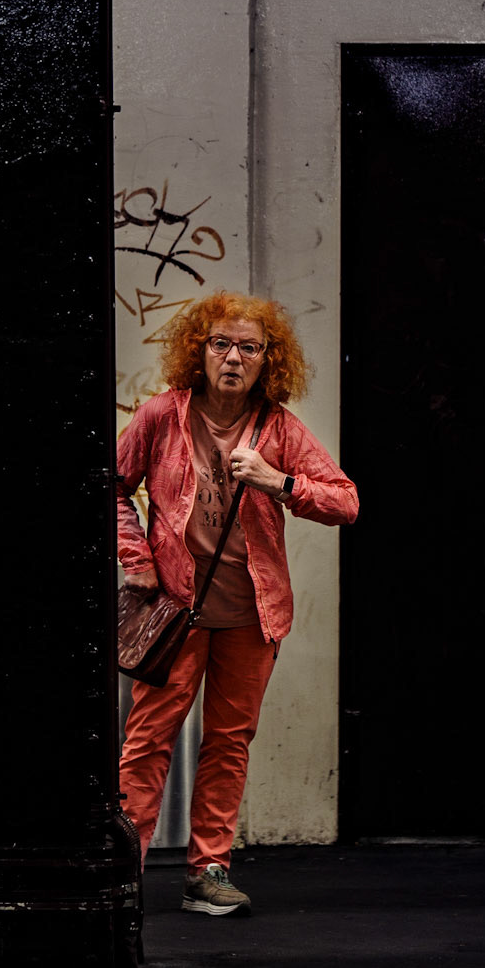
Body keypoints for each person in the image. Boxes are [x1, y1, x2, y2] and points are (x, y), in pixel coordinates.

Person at [117, 289, 357, 918]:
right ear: (198, 352)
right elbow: (110, 487)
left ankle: (209, 871)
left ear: (266, 360)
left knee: (228, 742)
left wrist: (279, 482)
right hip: (176, 613)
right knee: (148, 739)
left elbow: (346, 501)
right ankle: (123, 869)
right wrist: (137, 561)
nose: (232, 356)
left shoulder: (278, 426)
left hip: (253, 617)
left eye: (248, 347)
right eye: (220, 343)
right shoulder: (163, 416)